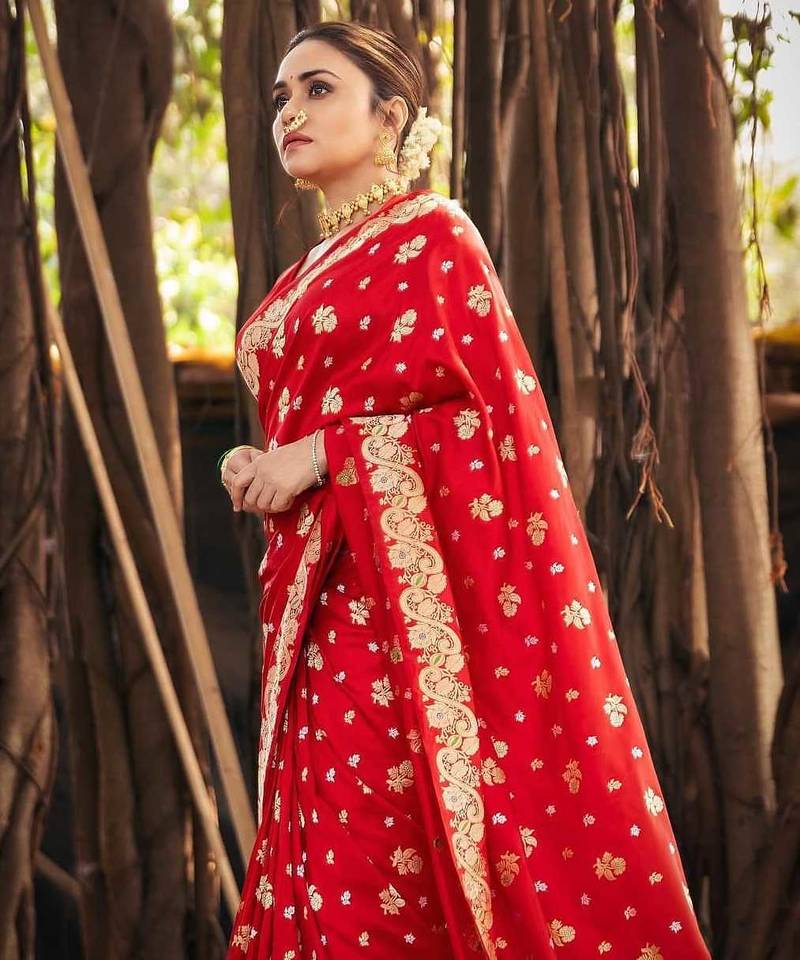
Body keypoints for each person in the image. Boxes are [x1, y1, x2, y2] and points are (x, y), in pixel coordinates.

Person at [219, 20, 712, 960]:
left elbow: (492, 428)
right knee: (324, 878)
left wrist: (323, 455)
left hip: (403, 625)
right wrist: (259, 463)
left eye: (318, 89)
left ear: (390, 117)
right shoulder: (303, 274)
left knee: (380, 882)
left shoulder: (433, 235)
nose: (290, 112)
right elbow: (323, 427)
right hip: (311, 623)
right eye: (281, 97)